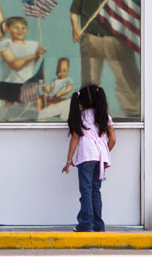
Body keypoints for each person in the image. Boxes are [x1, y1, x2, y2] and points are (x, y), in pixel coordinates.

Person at [70, 0, 140, 118]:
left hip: (112, 40)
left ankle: (134, 111)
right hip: (91, 39)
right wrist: (75, 27)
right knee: (90, 78)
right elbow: (74, 11)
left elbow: (123, 16)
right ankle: (88, 113)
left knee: (124, 75)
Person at [62, 84, 116, 232]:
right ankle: (98, 225)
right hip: (100, 158)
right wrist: (104, 154)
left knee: (86, 191)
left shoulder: (80, 116)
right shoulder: (104, 116)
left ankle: (86, 225)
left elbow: (75, 138)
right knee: (95, 191)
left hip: (86, 157)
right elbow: (112, 139)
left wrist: (69, 160)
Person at [0, 16, 46, 118]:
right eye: (16, 27)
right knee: (9, 106)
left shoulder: (33, 44)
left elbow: (34, 65)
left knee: (36, 103)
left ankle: (36, 124)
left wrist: (38, 55)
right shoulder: (6, 44)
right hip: (12, 82)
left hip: (28, 82)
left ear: (27, 30)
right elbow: (15, 65)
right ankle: (7, 124)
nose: (20, 30)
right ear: (8, 29)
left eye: (23, 28)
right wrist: (34, 56)